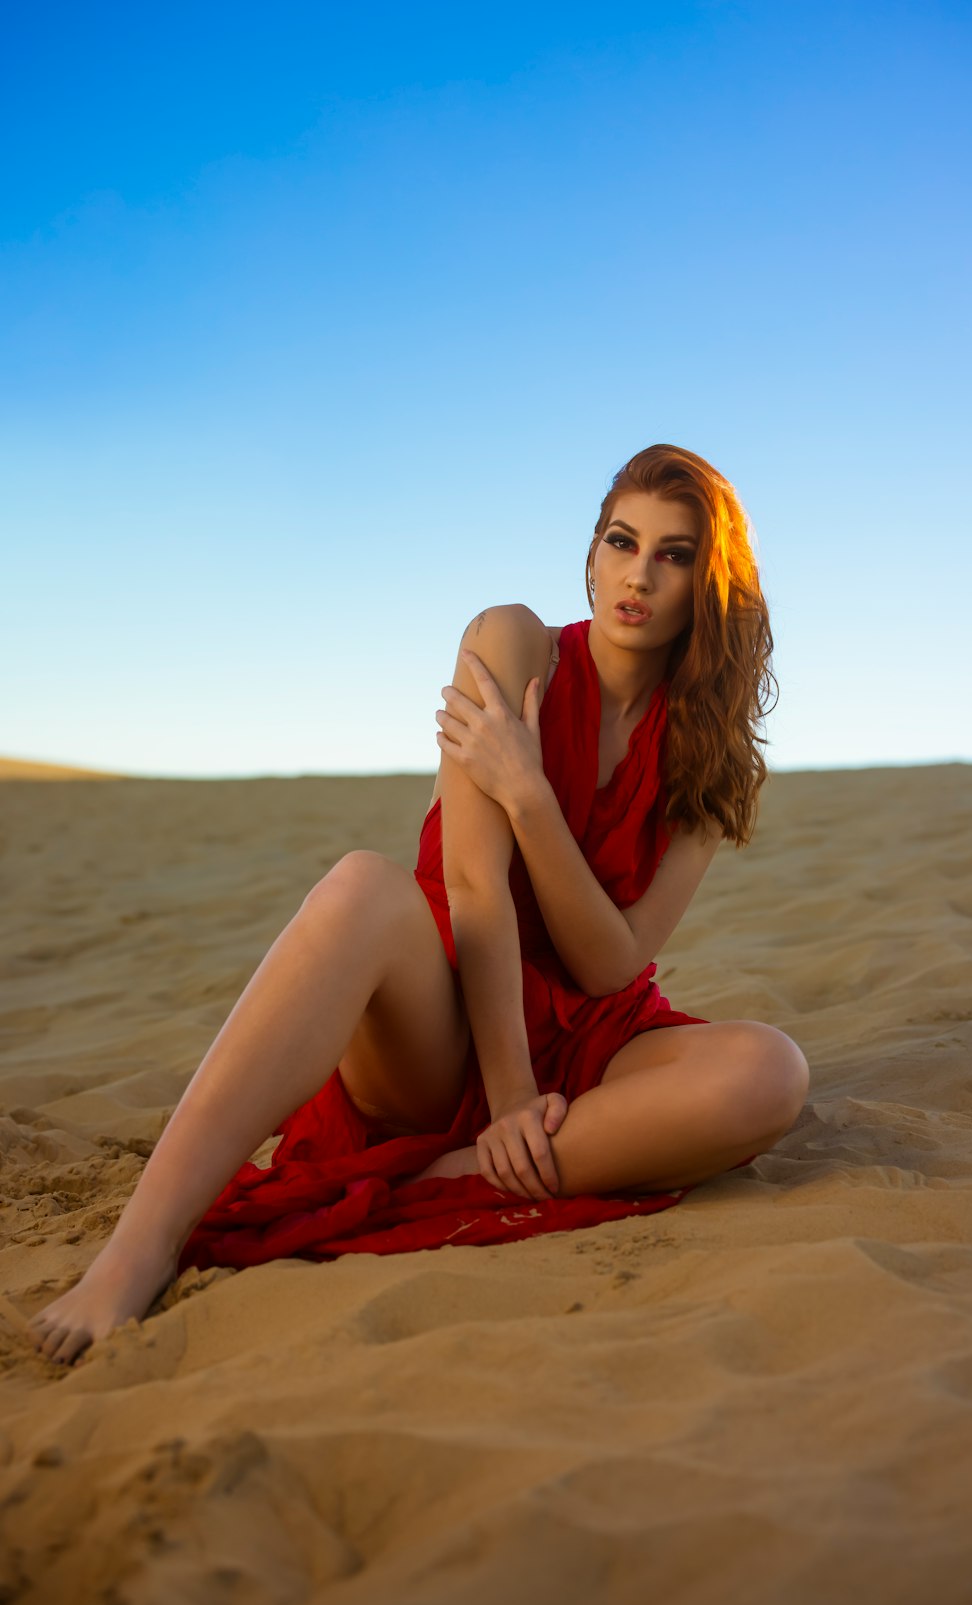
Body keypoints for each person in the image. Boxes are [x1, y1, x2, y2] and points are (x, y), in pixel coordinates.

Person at [27, 443, 810, 1367]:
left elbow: (611, 963)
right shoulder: (510, 643)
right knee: (363, 882)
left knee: (772, 1073)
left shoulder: (705, 748)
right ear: (592, 553)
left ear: (706, 585)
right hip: (443, 1009)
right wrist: (511, 1094)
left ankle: (445, 1177)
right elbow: (477, 891)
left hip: (587, 1032)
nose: (637, 575)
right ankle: (139, 1247)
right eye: (620, 541)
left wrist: (529, 795)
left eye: (673, 554)